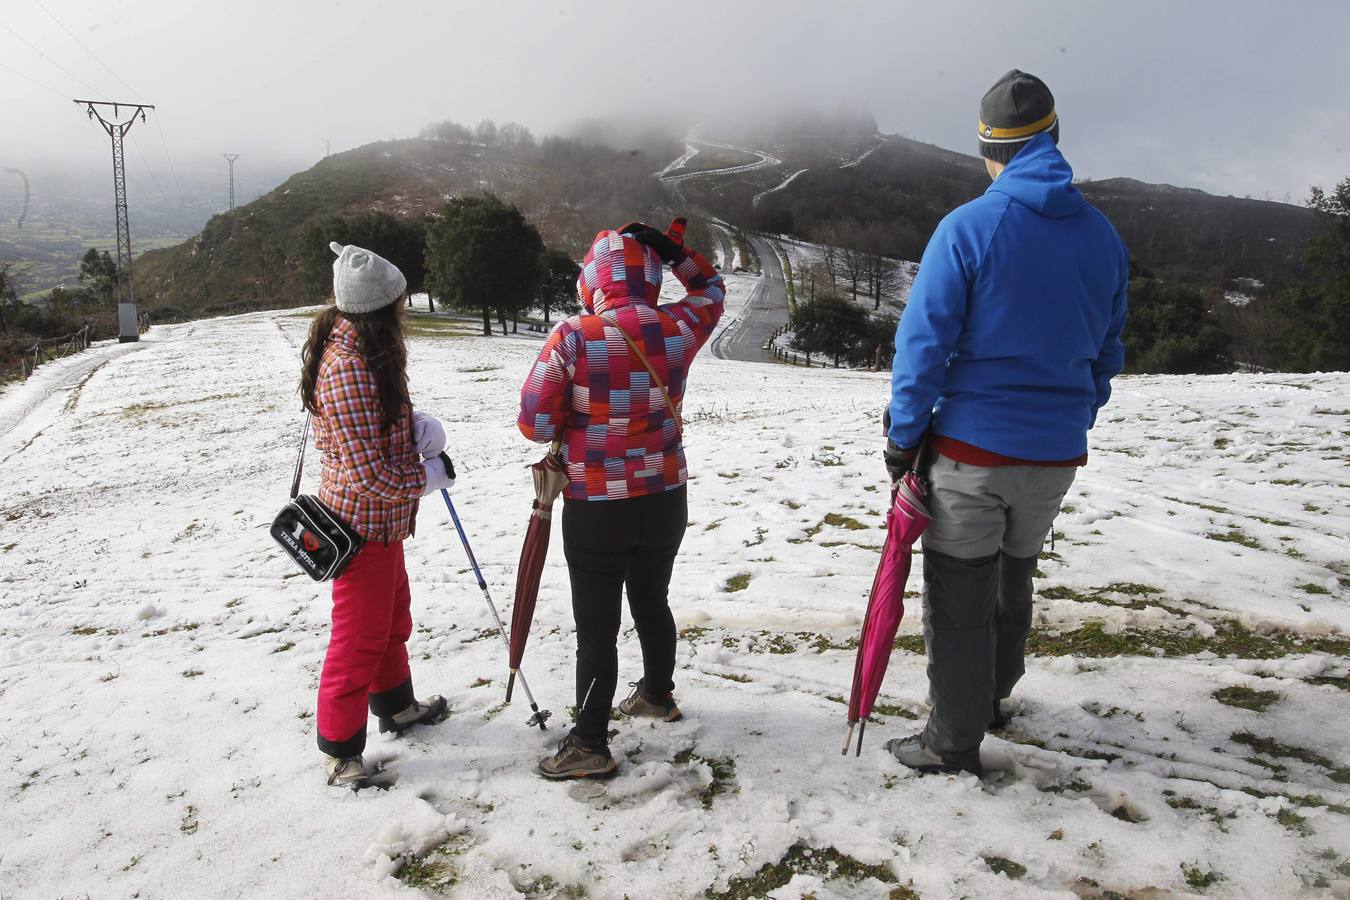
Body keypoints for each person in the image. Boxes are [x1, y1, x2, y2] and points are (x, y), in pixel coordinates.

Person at [883, 70, 1129, 776]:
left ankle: (953, 740)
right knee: (1012, 578)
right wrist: (1076, 413)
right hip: (1055, 457)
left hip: (971, 451)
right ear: (1053, 136)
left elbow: (923, 345)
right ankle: (991, 696)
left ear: (992, 151)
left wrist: (904, 437)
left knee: (961, 592)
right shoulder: (1102, 237)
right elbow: (1107, 349)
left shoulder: (970, 227)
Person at [518, 218, 724, 779]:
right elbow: (712, 290)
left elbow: (534, 422)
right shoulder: (678, 325)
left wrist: (576, 417)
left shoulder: (575, 336)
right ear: (651, 275)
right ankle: (657, 694)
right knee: (652, 600)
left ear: (594, 277)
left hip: (597, 503)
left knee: (597, 624)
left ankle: (588, 743)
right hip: (664, 494)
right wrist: (677, 252)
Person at [299, 242, 457, 787]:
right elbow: (367, 474)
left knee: (391, 622)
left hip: (382, 525)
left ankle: (396, 706)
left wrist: (412, 426)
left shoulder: (369, 352)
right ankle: (341, 752)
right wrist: (427, 478)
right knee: (357, 639)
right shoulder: (348, 369)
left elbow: (370, 434)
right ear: (379, 307)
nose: (405, 310)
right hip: (359, 526)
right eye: (400, 302)